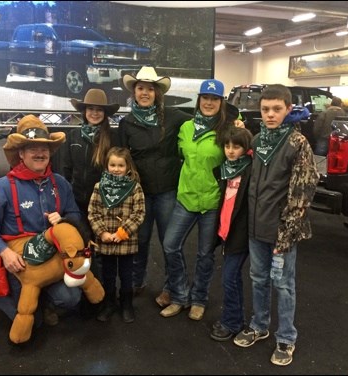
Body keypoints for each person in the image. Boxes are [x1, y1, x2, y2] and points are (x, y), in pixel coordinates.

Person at [233, 85, 319, 367]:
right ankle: (259, 325)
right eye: (265, 109)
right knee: (258, 278)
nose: (270, 115)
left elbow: (302, 192)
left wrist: (287, 233)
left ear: (288, 109)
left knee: (283, 284)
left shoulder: (297, 144)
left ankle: (286, 337)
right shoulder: (258, 141)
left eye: (276, 109)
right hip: (256, 226)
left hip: (282, 229)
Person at [0, 114, 83, 327]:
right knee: (31, 323)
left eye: (44, 149)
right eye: (33, 148)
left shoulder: (60, 184)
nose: (40, 153)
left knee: (72, 299)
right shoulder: (0, 188)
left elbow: (75, 216)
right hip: (19, 264)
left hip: (51, 261)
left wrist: (64, 221)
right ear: (21, 153)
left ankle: (42, 298)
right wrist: (5, 253)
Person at [160, 79, 241, 321]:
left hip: (212, 202)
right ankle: (179, 295)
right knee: (170, 245)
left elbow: (240, 151)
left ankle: (199, 299)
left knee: (205, 254)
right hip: (185, 198)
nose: (209, 102)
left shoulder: (227, 130)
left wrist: (240, 126)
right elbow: (178, 156)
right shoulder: (185, 127)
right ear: (199, 100)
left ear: (221, 102)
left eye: (214, 99)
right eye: (205, 97)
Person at [119, 66, 192, 307]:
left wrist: (234, 122)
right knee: (139, 241)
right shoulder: (127, 123)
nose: (144, 93)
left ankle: (173, 288)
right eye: (140, 88)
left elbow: (201, 122)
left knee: (170, 243)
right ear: (134, 92)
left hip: (167, 191)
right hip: (140, 193)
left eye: (150, 89)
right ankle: (137, 281)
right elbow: (121, 156)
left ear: (157, 93)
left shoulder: (174, 117)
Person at [62, 89, 120, 283]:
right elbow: (66, 169)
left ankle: (103, 293)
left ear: (105, 114)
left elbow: (119, 170)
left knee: (103, 251)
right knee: (80, 247)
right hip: (77, 203)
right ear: (84, 111)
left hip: (104, 205)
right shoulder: (73, 136)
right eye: (90, 109)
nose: (94, 113)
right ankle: (83, 291)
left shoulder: (113, 137)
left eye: (99, 110)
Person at [87, 147, 145, 323]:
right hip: (106, 241)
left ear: (128, 167)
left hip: (126, 241)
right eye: (112, 165)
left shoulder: (135, 188)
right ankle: (109, 303)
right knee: (108, 274)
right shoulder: (99, 187)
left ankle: (126, 304)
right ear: (107, 165)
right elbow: (93, 212)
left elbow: (139, 213)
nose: (116, 169)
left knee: (127, 275)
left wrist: (122, 232)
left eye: (120, 165)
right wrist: (102, 232)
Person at [210, 127, 253, 341]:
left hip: (240, 233)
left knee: (230, 278)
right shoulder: (226, 169)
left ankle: (232, 322)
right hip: (226, 230)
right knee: (231, 277)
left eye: (236, 146)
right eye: (227, 146)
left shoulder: (249, 170)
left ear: (245, 149)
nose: (230, 151)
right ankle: (234, 319)